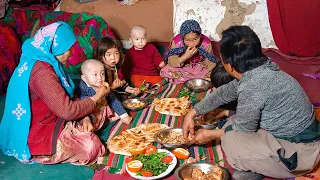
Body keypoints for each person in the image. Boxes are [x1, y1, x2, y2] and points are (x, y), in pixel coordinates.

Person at [182, 25, 320, 179]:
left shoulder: (253, 85)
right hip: (289, 134)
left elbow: (244, 127)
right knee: (231, 123)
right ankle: (260, 164)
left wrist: (210, 135)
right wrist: (192, 112)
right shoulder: (259, 68)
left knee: (232, 142)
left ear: (229, 66)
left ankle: (265, 168)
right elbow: (224, 93)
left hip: (301, 151)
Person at [0, 22, 110, 165]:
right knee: (91, 146)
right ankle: (46, 152)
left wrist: (85, 117)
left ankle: (78, 129)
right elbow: (68, 111)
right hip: (39, 130)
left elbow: (68, 94)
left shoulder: (49, 59)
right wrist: (97, 96)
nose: (71, 53)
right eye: (69, 49)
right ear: (59, 49)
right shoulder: (42, 73)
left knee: (100, 110)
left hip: (57, 113)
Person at [160, 19, 219, 84]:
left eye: (195, 39)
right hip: (182, 68)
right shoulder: (177, 42)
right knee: (166, 70)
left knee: (215, 72)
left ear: (200, 36)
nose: (191, 43)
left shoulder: (206, 43)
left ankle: (185, 80)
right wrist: (185, 56)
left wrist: (211, 72)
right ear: (182, 38)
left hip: (199, 67)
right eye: (187, 40)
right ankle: (192, 79)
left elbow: (210, 61)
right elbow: (171, 60)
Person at [78, 59, 132, 124]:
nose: (100, 77)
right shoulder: (83, 88)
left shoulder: (104, 85)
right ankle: (103, 121)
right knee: (88, 119)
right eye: (95, 74)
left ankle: (107, 119)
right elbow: (82, 105)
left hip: (103, 109)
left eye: (102, 73)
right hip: (91, 112)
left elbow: (113, 100)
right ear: (84, 78)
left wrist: (124, 115)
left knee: (117, 108)